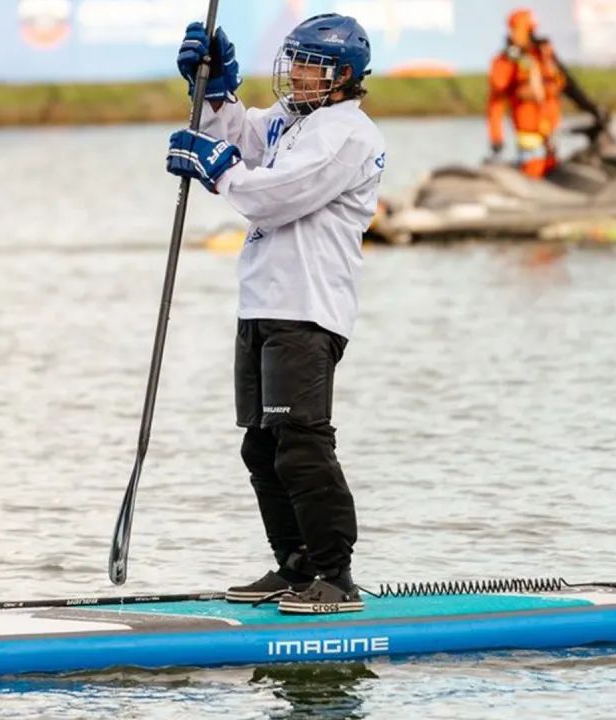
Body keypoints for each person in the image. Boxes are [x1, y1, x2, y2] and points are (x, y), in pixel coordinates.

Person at [165, 14, 385, 615]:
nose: (297, 76)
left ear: (342, 77)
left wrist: (217, 169)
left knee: (301, 445)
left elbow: (273, 193)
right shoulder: (293, 123)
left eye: (311, 66)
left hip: (308, 308)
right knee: (261, 447)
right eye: (294, 63)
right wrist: (213, 93)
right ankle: (295, 567)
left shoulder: (346, 134)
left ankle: (336, 579)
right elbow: (240, 138)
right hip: (263, 302)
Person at [487, 8, 567, 178]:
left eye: (522, 30)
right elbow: (496, 101)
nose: (516, 35)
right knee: (532, 173)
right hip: (529, 137)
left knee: (555, 176)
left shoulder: (542, 55)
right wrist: (496, 137)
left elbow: (560, 83)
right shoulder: (505, 61)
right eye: (514, 30)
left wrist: (547, 65)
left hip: (550, 135)